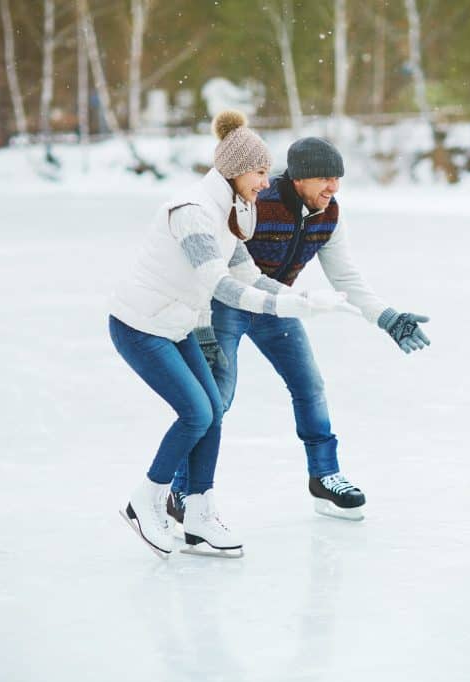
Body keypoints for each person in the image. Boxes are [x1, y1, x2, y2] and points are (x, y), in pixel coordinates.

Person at [110, 111, 355, 559]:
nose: (267, 182)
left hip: (180, 324)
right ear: (236, 170)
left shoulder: (231, 213)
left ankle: (198, 512)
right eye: (261, 172)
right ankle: (146, 499)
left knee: (213, 411)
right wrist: (289, 305)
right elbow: (221, 286)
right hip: (141, 326)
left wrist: (304, 300)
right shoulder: (194, 213)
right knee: (196, 413)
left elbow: (250, 275)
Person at [169, 136, 431, 522]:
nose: (333, 187)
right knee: (215, 401)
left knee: (310, 387)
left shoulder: (329, 213)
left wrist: (385, 316)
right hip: (225, 305)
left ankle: (324, 476)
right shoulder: (256, 201)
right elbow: (208, 269)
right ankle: (180, 490)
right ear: (299, 179)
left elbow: (345, 275)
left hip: (278, 305)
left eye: (338, 178)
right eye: (325, 178)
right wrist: (202, 325)